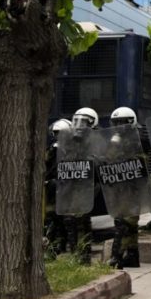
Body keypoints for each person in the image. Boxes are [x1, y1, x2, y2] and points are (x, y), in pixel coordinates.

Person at [106, 106, 145, 269]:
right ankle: (132, 256)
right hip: (121, 187)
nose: (119, 126)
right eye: (116, 123)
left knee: (124, 222)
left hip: (132, 188)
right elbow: (109, 160)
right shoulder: (118, 141)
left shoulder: (138, 140)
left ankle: (116, 257)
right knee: (128, 223)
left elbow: (141, 162)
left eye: (122, 122)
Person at [64, 107, 99, 264]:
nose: (79, 125)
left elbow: (101, 162)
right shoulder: (70, 142)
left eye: (83, 122)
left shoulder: (97, 140)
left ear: (92, 123)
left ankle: (84, 255)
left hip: (86, 187)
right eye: (76, 121)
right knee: (70, 221)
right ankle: (74, 253)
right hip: (71, 187)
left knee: (83, 221)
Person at [44, 118, 71, 255]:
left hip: (63, 187)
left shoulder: (70, 150)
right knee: (53, 218)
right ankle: (55, 246)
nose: (58, 136)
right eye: (56, 133)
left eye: (60, 133)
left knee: (61, 219)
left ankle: (58, 245)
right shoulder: (53, 149)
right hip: (54, 187)